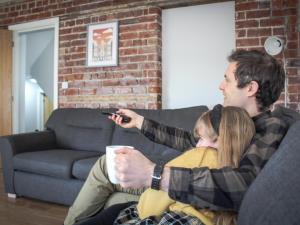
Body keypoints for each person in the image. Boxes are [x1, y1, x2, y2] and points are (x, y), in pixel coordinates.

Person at [64, 49, 288, 225]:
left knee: (107, 169)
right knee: (113, 194)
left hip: (191, 198)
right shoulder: (234, 119)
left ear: (250, 87)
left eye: (227, 79)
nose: (221, 86)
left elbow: (243, 185)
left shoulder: (270, 127)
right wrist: (140, 122)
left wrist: (155, 175)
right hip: (185, 186)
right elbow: (191, 141)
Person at [113, 105, 255, 225]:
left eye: (200, 139)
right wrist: (138, 121)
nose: (196, 145)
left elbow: (150, 208)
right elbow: (182, 139)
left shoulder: (206, 155)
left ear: (220, 141)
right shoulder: (227, 166)